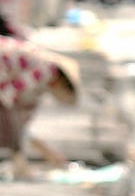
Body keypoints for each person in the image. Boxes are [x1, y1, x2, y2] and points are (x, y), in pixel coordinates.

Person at [0, 36, 80, 179]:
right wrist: (18, 157)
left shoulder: (39, 87)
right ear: (62, 83)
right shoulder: (45, 69)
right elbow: (7, 97)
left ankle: (17, 163)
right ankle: (18, 164)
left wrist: (48, 152)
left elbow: (22, 126)